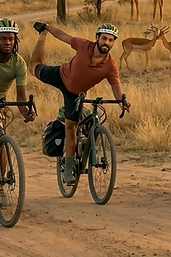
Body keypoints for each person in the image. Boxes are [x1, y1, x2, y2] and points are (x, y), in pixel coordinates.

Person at [28, 21, 130, 185]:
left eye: (111, 40)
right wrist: (46, 28)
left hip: (75, 95)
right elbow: (63, 36)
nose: (107, 43)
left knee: (71, 128)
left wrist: (122, 101)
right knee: (33, 67)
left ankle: (71, 167)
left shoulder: (110, 65)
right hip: (60, 75)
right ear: (97, 37)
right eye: (104, 38)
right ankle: (42, 37)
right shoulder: (84, 45)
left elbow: (116, 86)